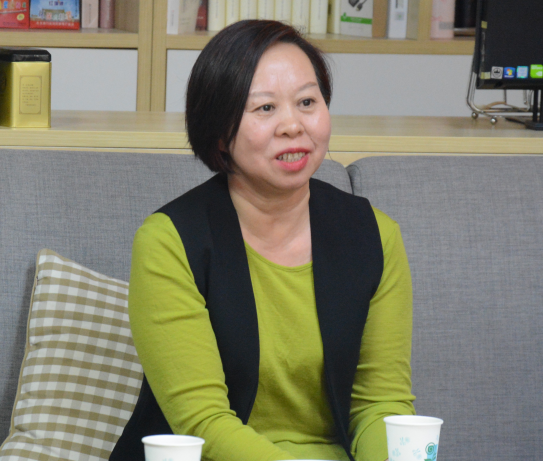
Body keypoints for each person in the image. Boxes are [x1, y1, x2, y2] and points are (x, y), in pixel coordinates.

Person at [110, 20, 415, 461]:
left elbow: (380, 406)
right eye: (265, 108)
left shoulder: (375, 236)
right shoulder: (170, 242)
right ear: (220, 133)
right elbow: (204, 423)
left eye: (307, 102)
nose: (293, 125)